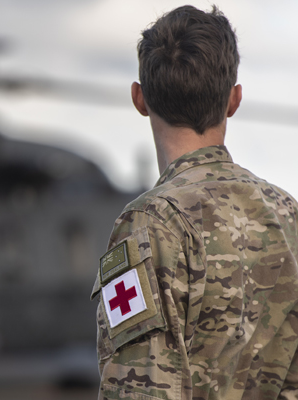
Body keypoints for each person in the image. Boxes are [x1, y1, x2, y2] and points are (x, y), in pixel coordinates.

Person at [90, 5, 298, 400]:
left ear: (140, 98)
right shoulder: (288, 213)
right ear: (234, 100)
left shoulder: (150, 223)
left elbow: (139, 388)